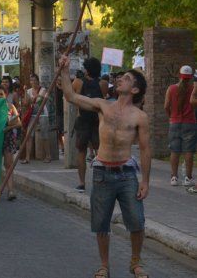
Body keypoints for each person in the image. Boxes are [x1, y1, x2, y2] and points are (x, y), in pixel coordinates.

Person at [59, 55, 151, 278]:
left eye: (126, 79)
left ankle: (136, 263)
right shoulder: (102, 105)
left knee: (137, 222)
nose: (120, 79)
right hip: (102, 172)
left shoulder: (140, 116)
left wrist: (145, 181)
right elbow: (70, 96)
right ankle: (104, 265)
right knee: (101, 223)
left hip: (127, 174)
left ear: (135, 90)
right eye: (120, 77)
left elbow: (146, 149)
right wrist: (63, 70)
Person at [73, 57, 107, 192]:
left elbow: (71, 97)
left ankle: (81, 183)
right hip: (98, 120)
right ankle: (102, 181)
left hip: (82, 120)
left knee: (81, 151)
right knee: (101, 152)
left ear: (86, 69)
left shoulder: (78, 82)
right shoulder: (103, 83)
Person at [168, 66, 196, 186]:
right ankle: (188, 178)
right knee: (188, 151)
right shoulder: (194, 89)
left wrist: (170, 116)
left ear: (179, 75)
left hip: (174, 122)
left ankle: (174, 177)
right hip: (190, 122)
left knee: (174, 151)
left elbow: (165, 105)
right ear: (190, 77)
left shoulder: (171, 88)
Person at [0, 86, 21, 201]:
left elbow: (18, 123)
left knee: (8, 165)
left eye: (1, 94)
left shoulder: (10, 107)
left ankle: (10, 190)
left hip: (8, 138)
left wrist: (8, 127)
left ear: (5, 95)